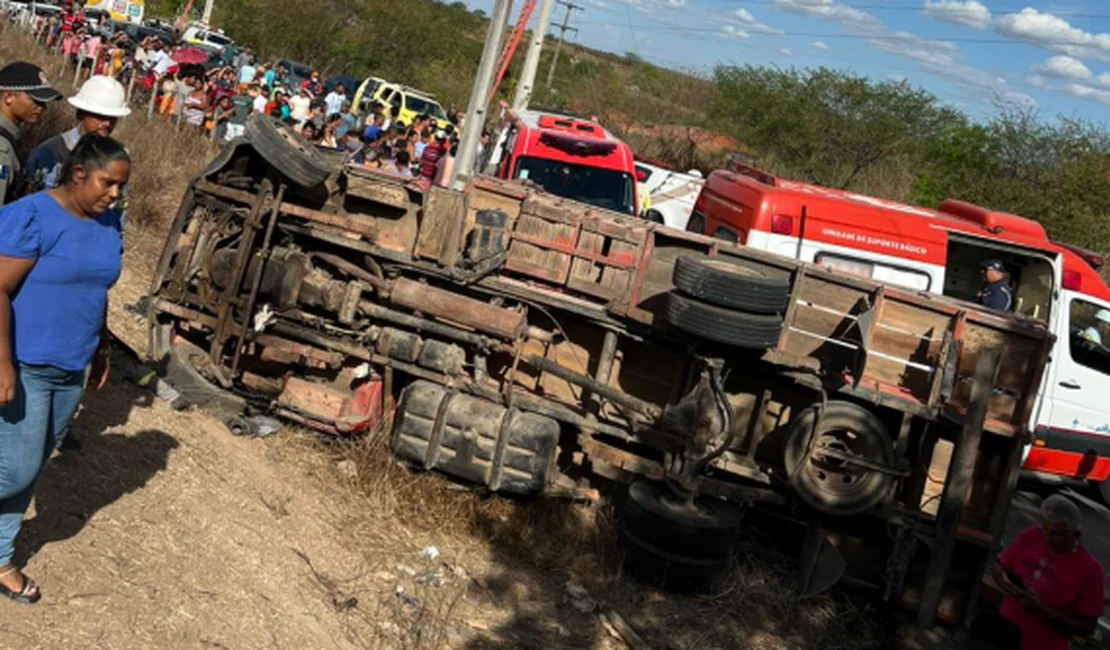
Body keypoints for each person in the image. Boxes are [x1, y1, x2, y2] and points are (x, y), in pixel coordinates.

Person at [0, 134, 128, 604]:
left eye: (120, 187)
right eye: (107, 183)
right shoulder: (33, 215)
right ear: (78, 174)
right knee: (12, 471)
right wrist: (1, 363)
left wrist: (101, 348)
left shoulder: (109, 223)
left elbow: (99, 289)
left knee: (30, 466)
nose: (114, 194)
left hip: (71, 363)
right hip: (24, 361)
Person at [970, 495, 1104, 650]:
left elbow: (1087, 627)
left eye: (1055, 533)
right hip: (1003, 634)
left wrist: (1043, 611)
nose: (1047, 537)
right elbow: (1000, 565)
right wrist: (1005, 583)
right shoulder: (1032, 536)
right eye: (1045, 529)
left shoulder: (1091, 572)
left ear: (1075, 535)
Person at [26, 75, 131, 193]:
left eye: (112, 118)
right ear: (81, 114)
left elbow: (119, 203)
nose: (107, 123)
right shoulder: (51, 152)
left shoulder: (117, 155)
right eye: (100, 116)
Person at [0, 63, 63, 205]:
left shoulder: (9, 139)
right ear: (9, 97)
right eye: (36, 100)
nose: (42, 107)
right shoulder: (2, 150)